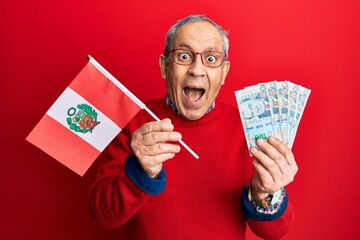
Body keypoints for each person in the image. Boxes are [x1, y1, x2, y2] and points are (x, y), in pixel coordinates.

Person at [89, 15, 297, 240]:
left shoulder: (249, 128)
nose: (197, 70)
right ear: (164, 66)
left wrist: (264, 193)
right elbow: (102, 216)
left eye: (210, 58)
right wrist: (140, 171)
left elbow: (275, 232)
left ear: (224, 72)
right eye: (184, 56)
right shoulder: (136, 124)